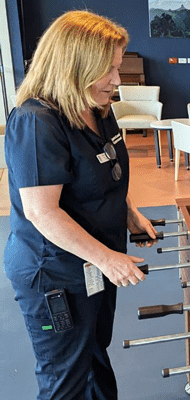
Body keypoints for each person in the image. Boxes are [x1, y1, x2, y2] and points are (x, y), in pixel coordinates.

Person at [2, 10, 161, 400]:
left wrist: (129, 213)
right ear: (75, 65)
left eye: (118, 68)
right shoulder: (37, 121)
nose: (117, 80)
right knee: (65, 380)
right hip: (55, 273)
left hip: (92, 263)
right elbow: (42, 212)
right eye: (108, 69)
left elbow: (105, 178)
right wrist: (107, 258)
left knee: (93, 358)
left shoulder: (97, 110)